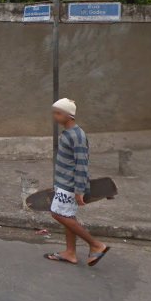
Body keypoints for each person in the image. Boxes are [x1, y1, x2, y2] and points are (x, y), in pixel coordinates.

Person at [44, 98, 110, 267]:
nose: (55, 116)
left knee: (57, 214)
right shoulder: (68, 133)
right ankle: (70, 253)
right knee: (68, 216)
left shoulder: (77, 136)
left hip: (69, 185)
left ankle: (96, 245)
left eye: (58, 113)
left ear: (69, 115)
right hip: (63, 182)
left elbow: (82, 164)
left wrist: (80, 190)